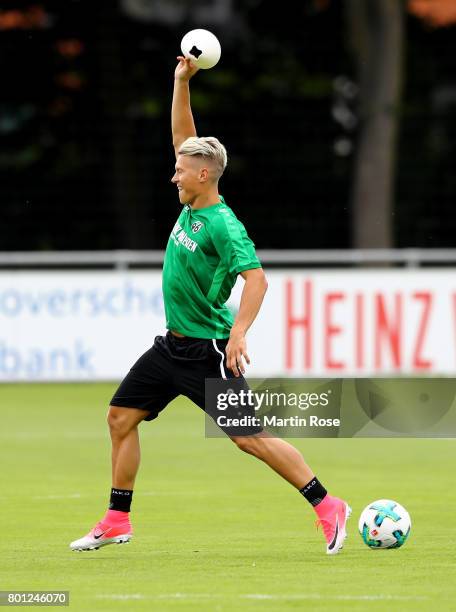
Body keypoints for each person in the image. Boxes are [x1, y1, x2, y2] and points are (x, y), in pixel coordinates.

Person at [70, 57, 350, 555]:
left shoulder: (224, 223)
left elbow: (257, 279)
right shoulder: (190, 202)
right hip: (172, 347)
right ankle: (116, 519)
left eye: (181, 170)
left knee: (250, 439)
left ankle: (328, 505)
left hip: (208, 352)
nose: (173, 175)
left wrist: (239, 333)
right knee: (120, 418)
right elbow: (184, 137)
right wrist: (181, 83)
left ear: (204, 174)